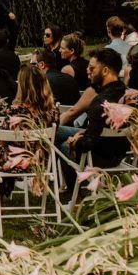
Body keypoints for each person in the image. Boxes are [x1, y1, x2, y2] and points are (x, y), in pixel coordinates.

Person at [0, 65, 58, 185]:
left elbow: (2, 138)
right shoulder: (53, 111)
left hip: (16, 161)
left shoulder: (16, 111)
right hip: (41, 162)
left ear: (23, 86)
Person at [56, 48, 129, 188]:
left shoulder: (100, 101)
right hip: (121, 151)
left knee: (62, 142)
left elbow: (89, 143)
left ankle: (73, 192)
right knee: (58, 131)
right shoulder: (127, 94)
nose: (88, 71)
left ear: (105, 71)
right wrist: (84, 133)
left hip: (101, 156)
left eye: (92, 68)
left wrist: (75, 141)